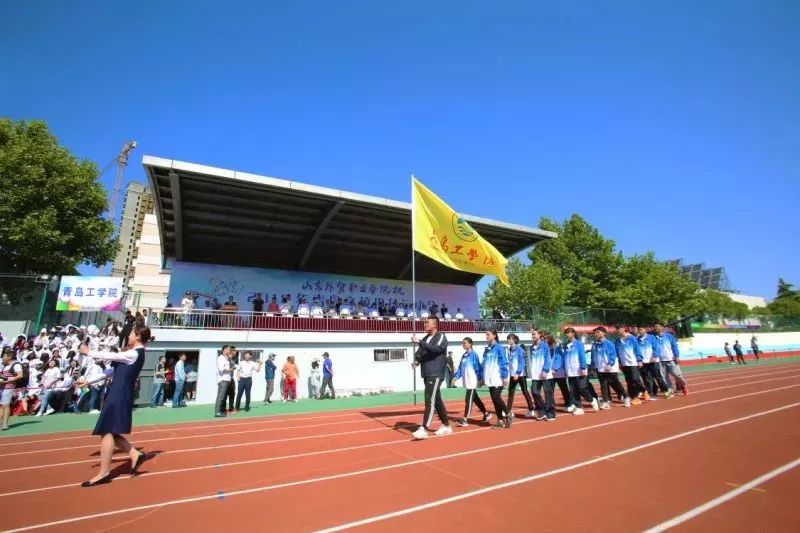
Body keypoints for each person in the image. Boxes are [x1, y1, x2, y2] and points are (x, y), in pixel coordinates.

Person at [77, 324, 149, 487]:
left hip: (119, 394)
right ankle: (135, 454)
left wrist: (89, 352)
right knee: (112, 432)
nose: (128, 335)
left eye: (131, 333)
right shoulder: (130, 354)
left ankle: (104, 473)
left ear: (138, 337)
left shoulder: (133, 354)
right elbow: (111, 372)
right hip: (117, 392)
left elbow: (109, 356)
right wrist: (88, 381)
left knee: (107, 431)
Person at [411, 316, 452, 439]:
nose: (424, 324)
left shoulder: (441, 337)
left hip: (435, 373)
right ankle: (446, 425)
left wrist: (419, 342)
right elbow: (419, 353)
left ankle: (424, 428)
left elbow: (436, 349)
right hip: (427, 373)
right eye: (424, 322)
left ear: (435, 325)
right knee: (437, 400)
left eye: (427, 322)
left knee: (429, 399)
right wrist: (416, 361)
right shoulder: (425, 338)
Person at [451, 337, 491, 427]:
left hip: (473, 381)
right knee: (475, 399)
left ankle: (465, 419)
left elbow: (478, 368)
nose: (463, 345)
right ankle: (486, 414)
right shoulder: (464, 356)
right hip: (467, 381)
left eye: (465, 343)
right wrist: (456, 377)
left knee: (468, 399)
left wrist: (480, 379)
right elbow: (460, 368)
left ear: (470, 344)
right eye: (463, 343)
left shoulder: (474, 355)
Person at [591, 327, 629, 409]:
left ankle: (625, 396)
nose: (596, 334)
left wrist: (610, 364)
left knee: (615, 382)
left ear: (603, 333)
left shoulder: (609, 343)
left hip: (610, 367)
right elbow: (593, 356)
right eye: (595, 333)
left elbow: (613, 354)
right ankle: (606, 401)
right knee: (603, 384)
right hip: (600, 367)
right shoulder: (594, 345)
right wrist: (593, 366)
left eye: (598, 332)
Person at [562, 327, 598, 415]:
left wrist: (583, 367)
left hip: (579, 370)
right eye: (566, 333)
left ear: (573, 333)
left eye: (568, 333)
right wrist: (565, 370)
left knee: (582, 388)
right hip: (570, 371)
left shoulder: (579, 344)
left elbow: (582, 356)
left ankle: (592, 400)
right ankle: (579, 407)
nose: (567, 335)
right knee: (573, 390)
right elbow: (565, 358)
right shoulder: (566, 345)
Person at [481, 329, 510, 429]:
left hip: (498, 377)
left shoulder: (499, 348)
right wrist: (482, 377)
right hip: (490, 379)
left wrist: (505, 376)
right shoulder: (487, 349)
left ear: (494, 336)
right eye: (486, 335)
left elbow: (504, 362)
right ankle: (500, 420)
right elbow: (484, 364)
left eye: (488, 334)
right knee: (494, 399)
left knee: (496, 397)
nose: (486, 336)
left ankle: (508, 414)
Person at [505, 333, 535, 418]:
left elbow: (521, 362)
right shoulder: (509, 349)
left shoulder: (519, 349)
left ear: (514, 340)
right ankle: (508, 410)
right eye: (508, 339)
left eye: (510, 339)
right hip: (512, 374)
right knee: (511, 393)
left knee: (525, 392)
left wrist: (518, 373)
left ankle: (531, 409)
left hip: (520, 375)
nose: (508, 340)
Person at [637, 326, 672, 399]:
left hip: (653, 361)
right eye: (638, 330)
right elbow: (637, 351)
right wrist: (639, 360)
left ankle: (666, 391)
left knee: (658, 377)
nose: (639, 331)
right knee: (647, 379)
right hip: (644, 362)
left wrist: (654, 356)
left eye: (641, 329)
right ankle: (651, 393)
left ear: (645, 329)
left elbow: (657, 348)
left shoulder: (652, 338)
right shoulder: (637, 340)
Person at [615, 326, 648, 403]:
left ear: (623, 328)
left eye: (619, 328)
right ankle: (634, 397)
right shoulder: (617, 341)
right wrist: (619, 362)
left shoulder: (632, 338)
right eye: (617, 329)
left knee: (635, 379)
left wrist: (639, 360)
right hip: (624, 363)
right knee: (629, 381)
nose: (618, 330)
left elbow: (637, 349)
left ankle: (644, 390)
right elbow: (617, 353)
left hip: (633, 362)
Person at [654, 324, 689, 395]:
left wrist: (677, 356)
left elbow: (674, 346)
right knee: (664, 377)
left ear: (662, 327)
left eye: (658, 326)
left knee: (677, 375)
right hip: (661, 361)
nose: (656, 328)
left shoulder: (669, 336)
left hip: (671, 359)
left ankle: (683, 386)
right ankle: (670, 390)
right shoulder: (654, 338)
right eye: (655, 327)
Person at [529, 329, 555, 421]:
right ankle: (541, 411)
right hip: (536, 375)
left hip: (545, 374)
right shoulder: (532, 347)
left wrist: (545, 370)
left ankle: (550, 413)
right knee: (534, 391)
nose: (533, 336)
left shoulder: (544, 346)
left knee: (548, 393)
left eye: (534, 334)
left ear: (539, 335)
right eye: (532, 334)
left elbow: (547, 359)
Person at [546, 333, 571, 412]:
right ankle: (551, 406)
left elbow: (558, 358)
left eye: (546, 339)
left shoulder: (556, 348)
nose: (545, 340)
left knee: (564, 389)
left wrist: (555, 369)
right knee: (550, 390)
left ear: (550, 339)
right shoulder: (546, 348)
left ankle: (568, 404)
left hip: (559, 373)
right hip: (550, 373)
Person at [1, 350, 24, 430]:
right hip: (2, 387)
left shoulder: (16, 365)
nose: (2, 358)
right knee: (1, 406)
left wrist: (7, 380)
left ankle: (5, 424)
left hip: (9, 387)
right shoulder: (5, 366)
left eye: (4, 356)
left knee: (6, 405)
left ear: (9, 357)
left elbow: (20, 375)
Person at [214, 345, 233, 417]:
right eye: (229, 349)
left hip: (227, 380)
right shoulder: (221, 358)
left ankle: (221, 410)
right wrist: (230, 370)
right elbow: (221, 369)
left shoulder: (227, 359)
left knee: (224, 396)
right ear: (224, 350)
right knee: (221, 396)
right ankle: (217, 412)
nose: (230, 351)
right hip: (223, 380)